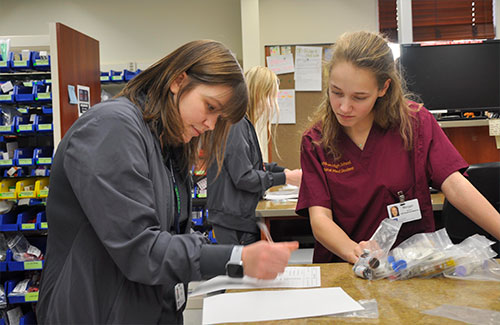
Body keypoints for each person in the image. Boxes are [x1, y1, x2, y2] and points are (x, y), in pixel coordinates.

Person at [36, 40, 298, 325]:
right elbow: (140, 248)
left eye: (218, 118)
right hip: (96, 312)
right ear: (177, 81)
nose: (210, 124)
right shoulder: (112, 128)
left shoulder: (167, 143)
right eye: (209, 107)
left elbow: (169, 233)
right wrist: (236, 257)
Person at [296, 31, 500, 264]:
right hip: (346, 268)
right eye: (336, 92)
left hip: (412, 265)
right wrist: (357, 253)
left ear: (383, 89)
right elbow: (320, 218)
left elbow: (454, 184)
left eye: (359, 97)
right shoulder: (316, 141)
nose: (344, 107)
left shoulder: (415, 123)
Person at [206, 66, 302, 245]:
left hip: (235, 218)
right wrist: (286, 177)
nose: (272, 104)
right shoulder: (235, 124)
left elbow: (253, 164)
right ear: (259, 94)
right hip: (233, 221)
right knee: (241, 271)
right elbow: (244, 177)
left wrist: (284, 172)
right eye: (271, 96)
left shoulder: (242, 123)